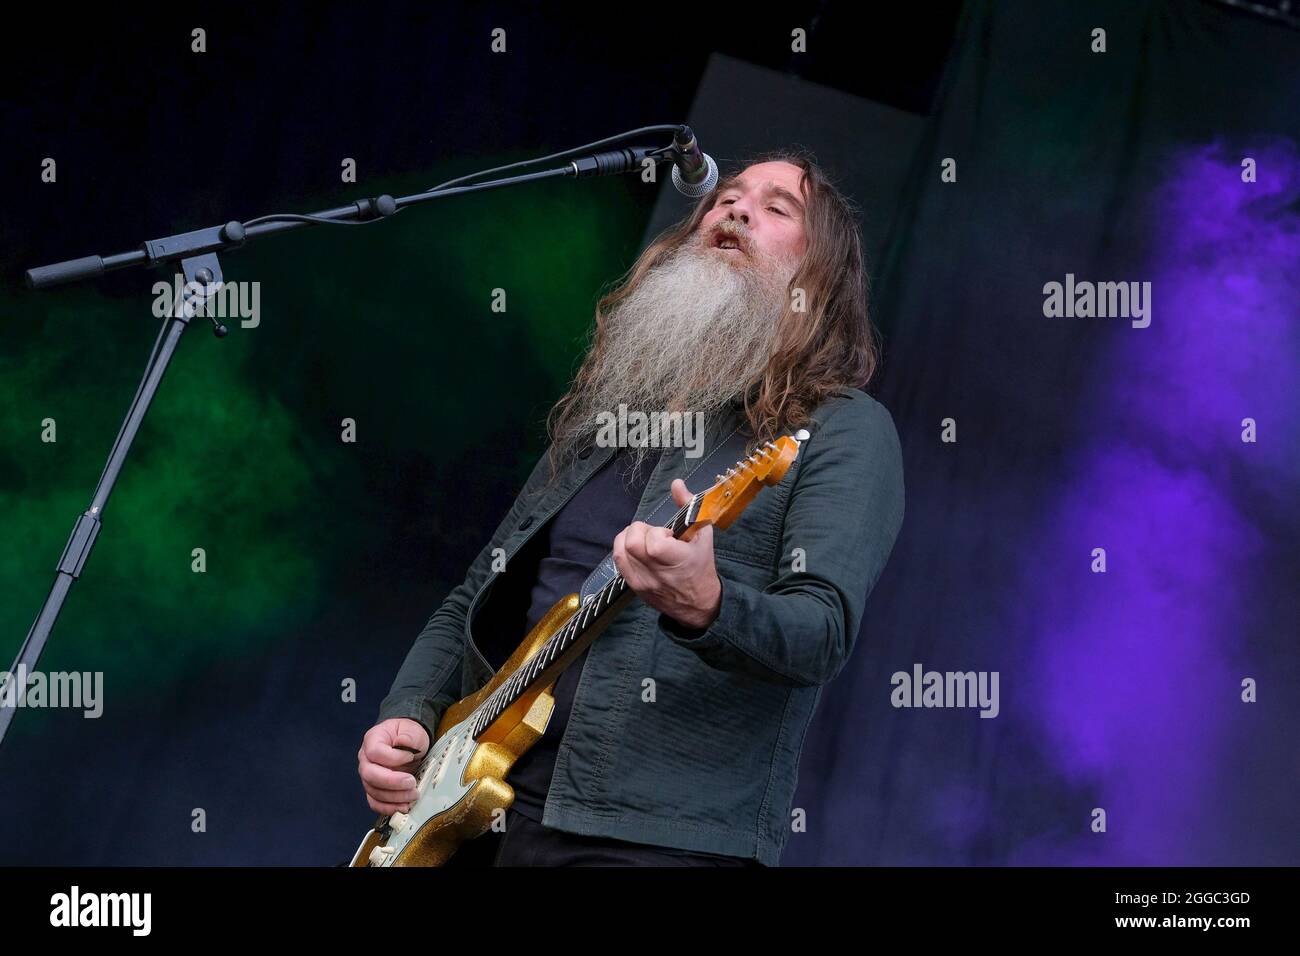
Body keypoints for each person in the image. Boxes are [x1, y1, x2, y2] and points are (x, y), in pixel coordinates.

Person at [356, 150, 905, 866]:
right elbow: (472, 598)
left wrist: (708, 604)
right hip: (475, 818)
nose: (735, 209)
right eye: (725, 198)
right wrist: (406, 715)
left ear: (820, 280)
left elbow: (821, 631)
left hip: (650, 840)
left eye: (777, 208)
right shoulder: (608, 424)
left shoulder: (839, 427)